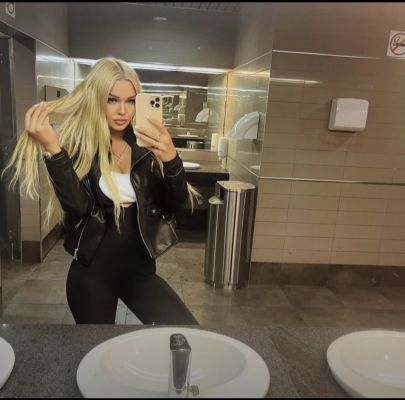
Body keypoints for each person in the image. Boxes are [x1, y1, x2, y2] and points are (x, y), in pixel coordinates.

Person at [2, 57, 199, 325]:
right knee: (96, 347)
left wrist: (171, 160)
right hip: (92, 274)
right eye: (112, 99)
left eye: (131, 101)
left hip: (140, 274)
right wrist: (53, 150)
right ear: (97, 100)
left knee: (186, 331)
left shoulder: (148, 147)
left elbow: (176, 205)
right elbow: (78, 207)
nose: (123, 110)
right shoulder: (81, 147)